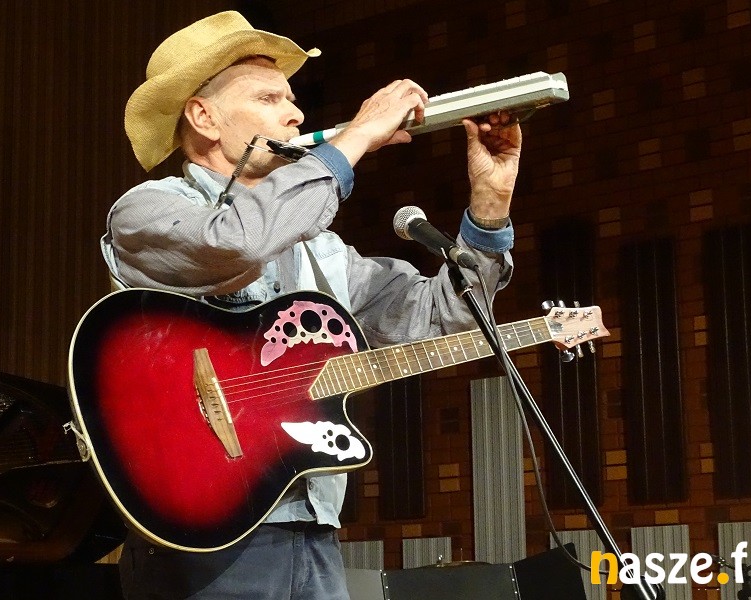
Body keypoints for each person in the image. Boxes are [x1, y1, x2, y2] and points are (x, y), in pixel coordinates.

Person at [103, 10, 522, 600]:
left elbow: (438, 317)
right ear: (203, 117)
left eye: (293, 98)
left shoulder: (321, 248)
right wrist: (359, 136)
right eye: (269, 97)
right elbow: (237, 241)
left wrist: (489, 206)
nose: (296, 114)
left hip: (312, 525)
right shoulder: (147, 210)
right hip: (200, 528)